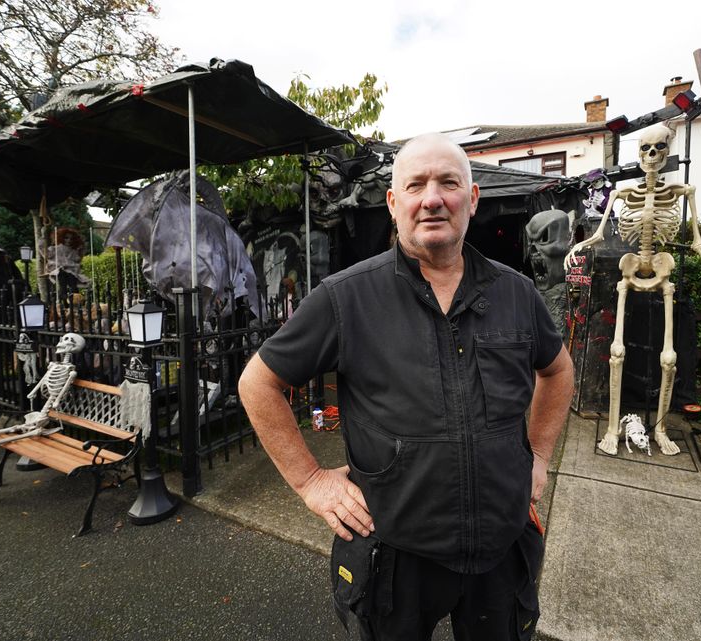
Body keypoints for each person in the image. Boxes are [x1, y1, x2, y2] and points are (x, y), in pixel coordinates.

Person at [238, 133, 574, 641]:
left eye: (448, 183)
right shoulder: (344, 298)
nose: (432, 198)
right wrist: (310, 481)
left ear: (473, 198)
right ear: (394, 204)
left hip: (500, 549)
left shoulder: (516, 292)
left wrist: (541, 457)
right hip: (394, 554)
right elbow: (258, 382)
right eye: (415, 185)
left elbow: (558, 370)